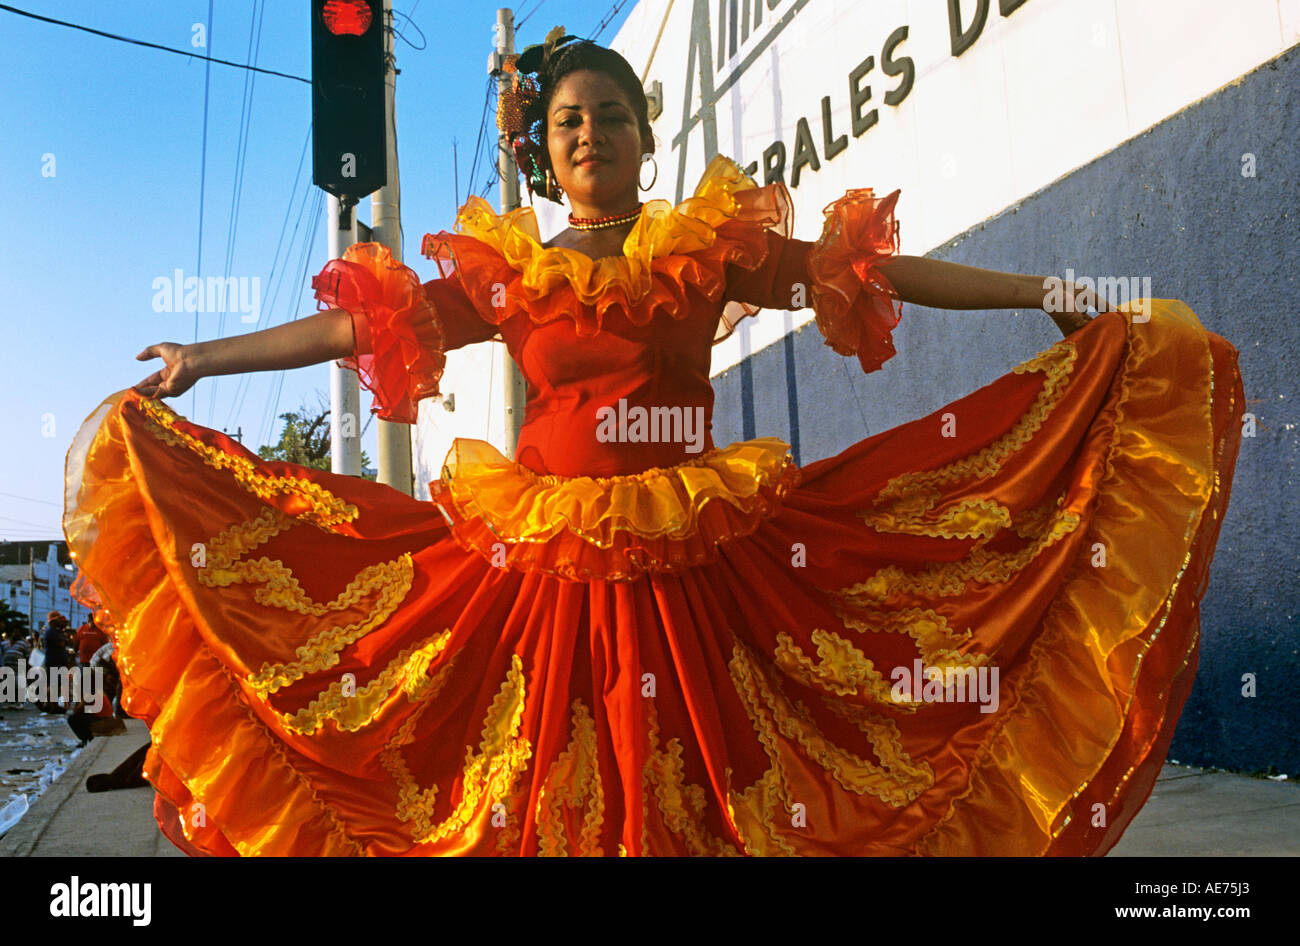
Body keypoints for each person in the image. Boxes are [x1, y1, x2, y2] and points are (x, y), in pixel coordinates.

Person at [62, 30, 1243, 857]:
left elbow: (876, 273)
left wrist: (1043, 284)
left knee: (727, 777)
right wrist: (201, 362)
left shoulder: (706, 245)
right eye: (569, 120)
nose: (588, 135)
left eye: (609, 117)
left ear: (644, 131)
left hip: (704, 558)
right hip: (545, 568)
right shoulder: (507, 271)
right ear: (547, 146)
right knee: (540, 780)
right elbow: (352, 324)